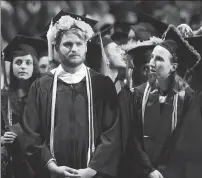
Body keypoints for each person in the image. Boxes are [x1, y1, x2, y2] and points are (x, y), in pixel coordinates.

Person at [22, 12, 121, 178]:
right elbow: (31, 132)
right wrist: (51, 165)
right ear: (56, 48)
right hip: (53, 173)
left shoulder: (102, 85)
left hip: (93, 173)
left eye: (79, 44)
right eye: (67, 44)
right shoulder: (41, 86)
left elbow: (112, 132)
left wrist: (92, 169)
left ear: (86, 47)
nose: (74, 49)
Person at [118, 24, 201, 178]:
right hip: (141, 172)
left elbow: (186, 142)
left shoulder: (189, 98)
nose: (151, 63)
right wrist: (149, 169)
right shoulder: (137, 94)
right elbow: (131, 135)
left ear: (173, 67)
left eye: (159, 59)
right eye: (152, 57)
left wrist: (167, 172)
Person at [1, 35, 46, 178]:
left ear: (34, 66)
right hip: (12, 164)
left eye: (28, 63)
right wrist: (1, 139)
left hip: (40, 162)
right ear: (11, 66)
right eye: (18, 62)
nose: (23, 66)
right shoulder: (3, 96)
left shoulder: (43, 96)